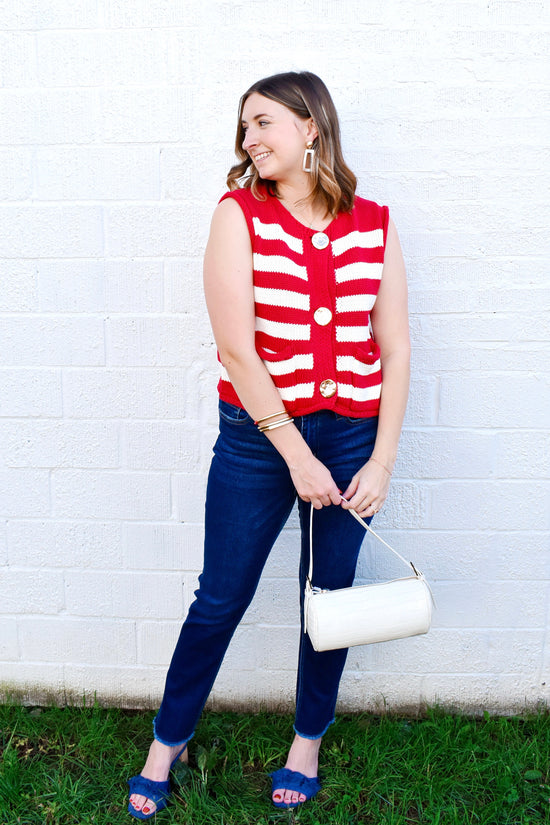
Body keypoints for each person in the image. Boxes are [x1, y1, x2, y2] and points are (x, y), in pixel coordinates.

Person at [128, 70, 410, 818]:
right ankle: (167, 742)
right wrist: (295, 453)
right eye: (244, 128)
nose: (249, 139)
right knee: (220, 597)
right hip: (261, 441)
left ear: (310, 125)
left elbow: (397, 347)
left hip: (352, 437)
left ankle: (306, 742)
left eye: (263, 123)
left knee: (329, 598)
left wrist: (379, 459)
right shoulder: (238, 214)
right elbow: (239, 350)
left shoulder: (375, 222)